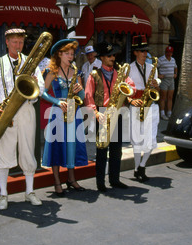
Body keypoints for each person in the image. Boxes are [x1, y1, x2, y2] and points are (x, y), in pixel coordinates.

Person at [0, 28, 45, 210]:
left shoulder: (31, 63)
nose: (18, 45)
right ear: (7, 42)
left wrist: (34, 84)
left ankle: (30, 192)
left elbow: (40, 89)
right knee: (4, 154)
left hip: (26, 110)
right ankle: (3, 194)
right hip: (5, 113)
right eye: (14, 42)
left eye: (20, 42)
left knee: (28, 151)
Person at [84, 41, 135, 192]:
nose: (113, 58)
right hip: (102, 114)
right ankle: (100, 182)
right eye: (109, 56)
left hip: (117, 112)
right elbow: (88, 97)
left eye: (113, 55)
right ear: (102, 58)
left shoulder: (120, 73)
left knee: (116, 149)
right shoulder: (94, 75)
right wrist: (96, 112)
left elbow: (131, 87)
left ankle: (115, 179)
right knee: (101, 150)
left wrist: (129, 92)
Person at [41, 39, 88, 196]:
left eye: (72, 53)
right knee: (57, 147)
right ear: (59, 55)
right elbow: (43, 92)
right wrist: (56, 101)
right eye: (67, 53)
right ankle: (56, 181)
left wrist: (80, 89)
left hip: (74, 112)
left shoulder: (76, 72)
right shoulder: (51, 72)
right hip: (57, 113)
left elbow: (82, 96)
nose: (71, 56)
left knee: (71, 146)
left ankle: (71, 179)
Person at [128, 35, 160, 182]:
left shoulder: (152, 68)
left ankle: (142, 166)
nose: (144, 54)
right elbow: (125, 91)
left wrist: (156, 86)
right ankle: (136, 169)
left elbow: (157, 92)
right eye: (141, 51)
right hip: (136, 106)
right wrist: (131, 101)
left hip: (151, 106)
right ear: (135, 52)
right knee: (137, 140)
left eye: (146, 51)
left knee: (151, 140)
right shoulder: (129, 68)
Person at [157, 45, 177, 120]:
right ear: (165, 52)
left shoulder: (173, 60)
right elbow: (155, 67)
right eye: (168, 52)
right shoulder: (161, 59)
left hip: (171, 80)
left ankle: (169, 112)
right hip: (164, 80)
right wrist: (158, 75)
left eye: (170, 52)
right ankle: (162, 113)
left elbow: (175, 67)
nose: (169, 54)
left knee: (170, 97)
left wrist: (175, 74)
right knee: (163, 97)